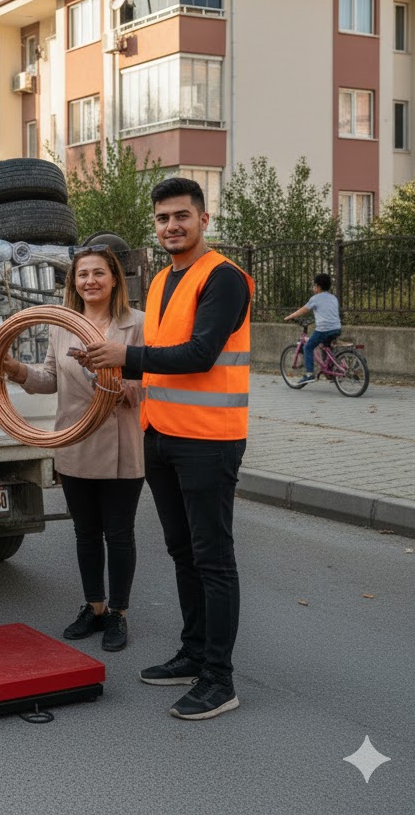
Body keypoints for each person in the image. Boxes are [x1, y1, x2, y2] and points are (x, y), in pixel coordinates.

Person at [83, 177, 253, 721]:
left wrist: (124, 358)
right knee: (183, 553)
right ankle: (194, 653)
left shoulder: (224, 278)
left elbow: (201, 354)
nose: (172, 226)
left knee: (213, 559)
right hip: (162, 436)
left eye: (181, 216)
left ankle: (219, 679)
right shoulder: (161, 281)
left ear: (203, 219)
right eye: (162, 219)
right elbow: (160, 352)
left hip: (208, 441)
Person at [2, 245, 144, 652]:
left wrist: (103, 372)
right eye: (83, 275)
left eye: (99, 273)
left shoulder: (136, 324)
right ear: (74, 282)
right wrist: (18, 371)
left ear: (114, 278)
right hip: (74, 439)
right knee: (85, 533)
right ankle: (93, 607)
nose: (91, 281)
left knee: (118, 534)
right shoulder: (63, 324)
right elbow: (50, 377)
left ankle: (119, 613)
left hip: (119, 445)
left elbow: (142, 387)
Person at [284, 273, 341, 385]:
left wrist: (290, 316)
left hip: (324, 329)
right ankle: (331, 371)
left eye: (314, 286)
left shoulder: (315, 298)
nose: (314, 288)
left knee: (308, 347)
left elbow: (303, 310)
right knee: (326, 347)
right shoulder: (333, 298)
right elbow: (328, 312)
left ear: (318, 287)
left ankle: (309, 374)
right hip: (337, 328)